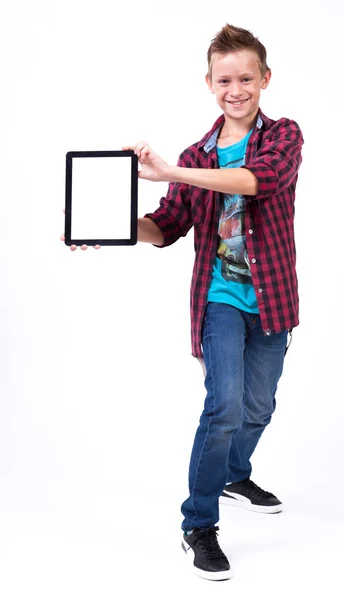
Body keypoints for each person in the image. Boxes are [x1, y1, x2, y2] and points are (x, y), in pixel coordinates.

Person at [63, 23, 304, 581]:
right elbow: (166, 225)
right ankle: (198, 523)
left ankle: (233, 473)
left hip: (272, 302)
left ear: (265, 79)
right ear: (209, 83)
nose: (236, 88)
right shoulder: (198, 153)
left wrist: (169, 170)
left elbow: (255, 181)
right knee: (221, 409)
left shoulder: (282, 136)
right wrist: (111, 225)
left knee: (258, 408)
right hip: (217, 300)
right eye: (225, 79)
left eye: (247, 77)